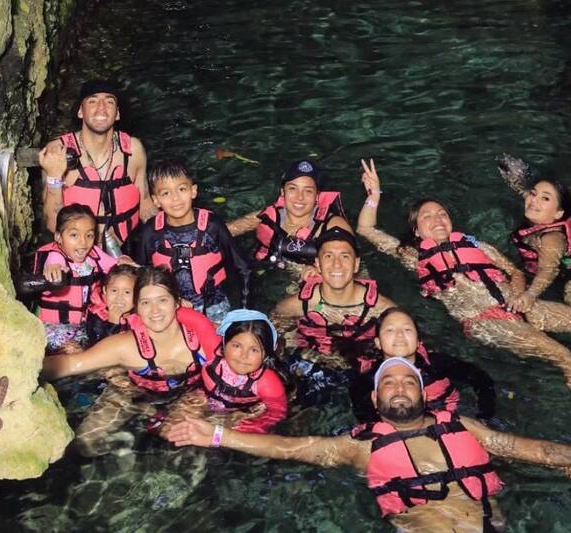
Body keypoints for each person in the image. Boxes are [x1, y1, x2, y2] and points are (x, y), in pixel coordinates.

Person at [166, 357, 571, 532]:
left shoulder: (463, 426)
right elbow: (294, 447)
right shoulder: (359, 447)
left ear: (424, 394)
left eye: (408, 381)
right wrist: (217, 434)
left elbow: (533, 450)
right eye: (388, 383)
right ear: (375, 401)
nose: (398, 387)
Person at [356, 158, 571, 387]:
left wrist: (519, 295)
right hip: (485, 321)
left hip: (515, 304)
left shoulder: (479, 246)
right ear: (416, 230)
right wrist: (374, 196)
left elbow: (515, 272)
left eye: (442, 214)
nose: (437, 219)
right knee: (564, 357)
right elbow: (365, 229)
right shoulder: (412, 256)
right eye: (426, 217)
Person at [41, 266, 222, 456]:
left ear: (176, 303)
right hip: (130, 393)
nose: (155, 311)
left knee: (177, 443)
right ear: (137, 307)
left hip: (190, 395)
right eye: (145, 302)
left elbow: (244, 349)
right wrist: (25, 369)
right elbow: (71, 364)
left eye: (162, 300)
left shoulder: (203, 336)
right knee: (85, 443)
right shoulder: (125, 345)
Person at [38, 79, 153, 251]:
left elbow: (145, 205)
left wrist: (174, 230)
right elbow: (52, 223)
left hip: (127, 249)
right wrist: (54, 175)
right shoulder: (58, 154)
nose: (101, 107)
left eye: (109, 101)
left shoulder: (134, 149)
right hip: (78, 255)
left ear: (118, 114)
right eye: (92, 101)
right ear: (80, 112)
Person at [133, 160, 252, 322]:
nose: (175, 198)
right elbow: (139, 274)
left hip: (214, 307)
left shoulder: (212, 226)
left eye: (181, 189)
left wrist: (246, 313)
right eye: (166, 193)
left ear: (193, 191)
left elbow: (242, 268)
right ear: (155, 200)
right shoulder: (151, 232)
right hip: (169, 310)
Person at [350, 307, 496, 424]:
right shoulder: (366, 382)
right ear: (378, 343)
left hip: (455, 418)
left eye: (407, 330)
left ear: (419, 340)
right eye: (390, 330)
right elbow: (367, 421)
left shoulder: (437, 364)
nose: (400, 335)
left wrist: (484, 417)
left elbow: (482, 380)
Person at [272, 226, 396, 362]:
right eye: (329, 256)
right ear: (318, 265)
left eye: (345, 256)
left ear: (356, 264)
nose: (337, 264)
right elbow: (273, 336)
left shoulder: (382, 309)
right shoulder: (298, 305)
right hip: (311, 361)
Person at [227, 158, 352, 275]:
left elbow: (351, 268)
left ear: (317, 196)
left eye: (308, 191)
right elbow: (221, 231)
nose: (299, 197)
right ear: (283, 192)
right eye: (293, 188)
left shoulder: (333, 227)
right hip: (268, 274)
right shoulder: (267, 218)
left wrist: (320, 273)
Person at [32, 204, 124, 353]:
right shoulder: (55, 257)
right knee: (78, 354)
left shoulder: (93, 254)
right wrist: (53, 270)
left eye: (89, 235)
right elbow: (53, 264)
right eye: (74, 235)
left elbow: (116, 266)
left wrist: (126, 263)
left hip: (82, 326)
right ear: (58, 237)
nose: (83, 243)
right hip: (53, 329)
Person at [498, 155, 571, 307]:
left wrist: (530, 294)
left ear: (558, 213)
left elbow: (548, 270)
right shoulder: (539, 211)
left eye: (545, 199)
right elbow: (523, 188)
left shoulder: (551, 238)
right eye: (533, 193)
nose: (534, 201)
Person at [201, 309, 288, 433]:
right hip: (207, 403)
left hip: (242, 415)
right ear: (224, 344)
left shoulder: (267, 382)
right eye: (237, 346)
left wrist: (242, 428)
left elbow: (277, 414)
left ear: (266, 355)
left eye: (254, 350)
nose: (244, 356)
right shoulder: (214, 359)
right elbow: (197, 321)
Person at [86, 264, 140, 345]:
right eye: (114, 290)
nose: (119, 297)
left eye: (127, 292)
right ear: (105, 290)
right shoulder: (97, 315)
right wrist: (112, 324)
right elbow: (97, 350)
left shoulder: (142, 316)